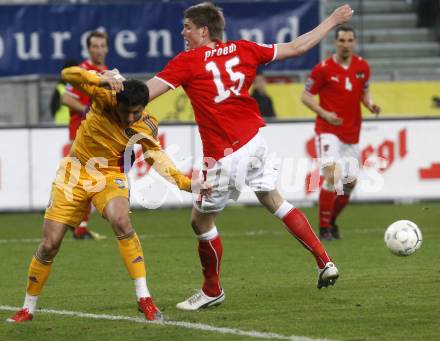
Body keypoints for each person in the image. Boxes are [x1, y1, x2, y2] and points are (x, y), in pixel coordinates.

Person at [145, 2, 354, 310]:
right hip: (255, 141)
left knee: (200, 222)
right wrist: (332, 20)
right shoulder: (244, 49)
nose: (183, 32)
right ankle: (325, 261)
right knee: (273, 199)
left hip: (224, 154)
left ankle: (211, 289)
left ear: (203, 31)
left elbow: (145, 93)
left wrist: (108, 88)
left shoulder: (188, 61)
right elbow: (297, 47)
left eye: (187, 27)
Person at [6, 67, 209, 323]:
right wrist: (100, 78)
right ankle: (28, 307)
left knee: (121, 221)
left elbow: (156, 156)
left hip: (110, 175)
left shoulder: (146, 125)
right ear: (117, 102)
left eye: (136, 112)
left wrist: (185, 183)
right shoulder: (103, 96)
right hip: (75, 172)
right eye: (126, 111)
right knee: (49, 244)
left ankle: (144, 298)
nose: (130, 117)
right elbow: (68, 74)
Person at [301, 25, 381, 240]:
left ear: (354, 43)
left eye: (349, 41)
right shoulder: (323, 69)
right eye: (342, 41)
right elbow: (306, 96)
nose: (346, 45)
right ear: (335, 43)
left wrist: (370, 104)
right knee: (332, 176)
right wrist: (325, 114)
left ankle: (331, 221)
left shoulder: (362, 66)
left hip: (352, 132)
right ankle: (323, 229)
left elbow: (364, 91)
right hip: (328, 130)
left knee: (349, 184)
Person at [62, 31, 110, 240]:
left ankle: (77, 223)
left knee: (87, 180)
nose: (99, 50)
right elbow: (66, 97)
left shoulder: (107, 72)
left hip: (98, 135)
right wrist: (86, 111)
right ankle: (75, 224)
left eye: (102, 46)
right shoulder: (81, 71)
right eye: (95, 46)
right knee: (90, 179)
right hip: (81, 133)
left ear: (107, 48)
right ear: (89, 49)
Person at [50, 58, 78, 125]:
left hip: (74, 124)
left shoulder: (80, 87)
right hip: (61, 124)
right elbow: (53, 106)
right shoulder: (60, 87)